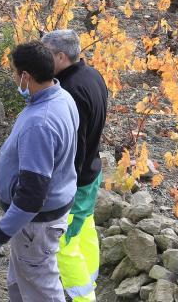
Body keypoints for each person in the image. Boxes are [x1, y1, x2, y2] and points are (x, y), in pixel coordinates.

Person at [0, 40, 79, 302]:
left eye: (14, 72)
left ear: (25, 76)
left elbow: (31, 195)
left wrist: (0, 235)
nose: (13, 77)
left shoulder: (41, 122)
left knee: (42, 291)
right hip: (42, 218)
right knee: (22, 283)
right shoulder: (62, 97)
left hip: (36, 226)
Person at [43, 29, 109, 302]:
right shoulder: (93, 75)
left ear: (60, 56)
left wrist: (61, 184)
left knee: (65, 245)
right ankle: (90, 283)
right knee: (85, 232)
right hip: (92, 173)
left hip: (76, 182)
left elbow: (75, 146)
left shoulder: (69, 91)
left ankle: (83, 297)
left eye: (46, 54)